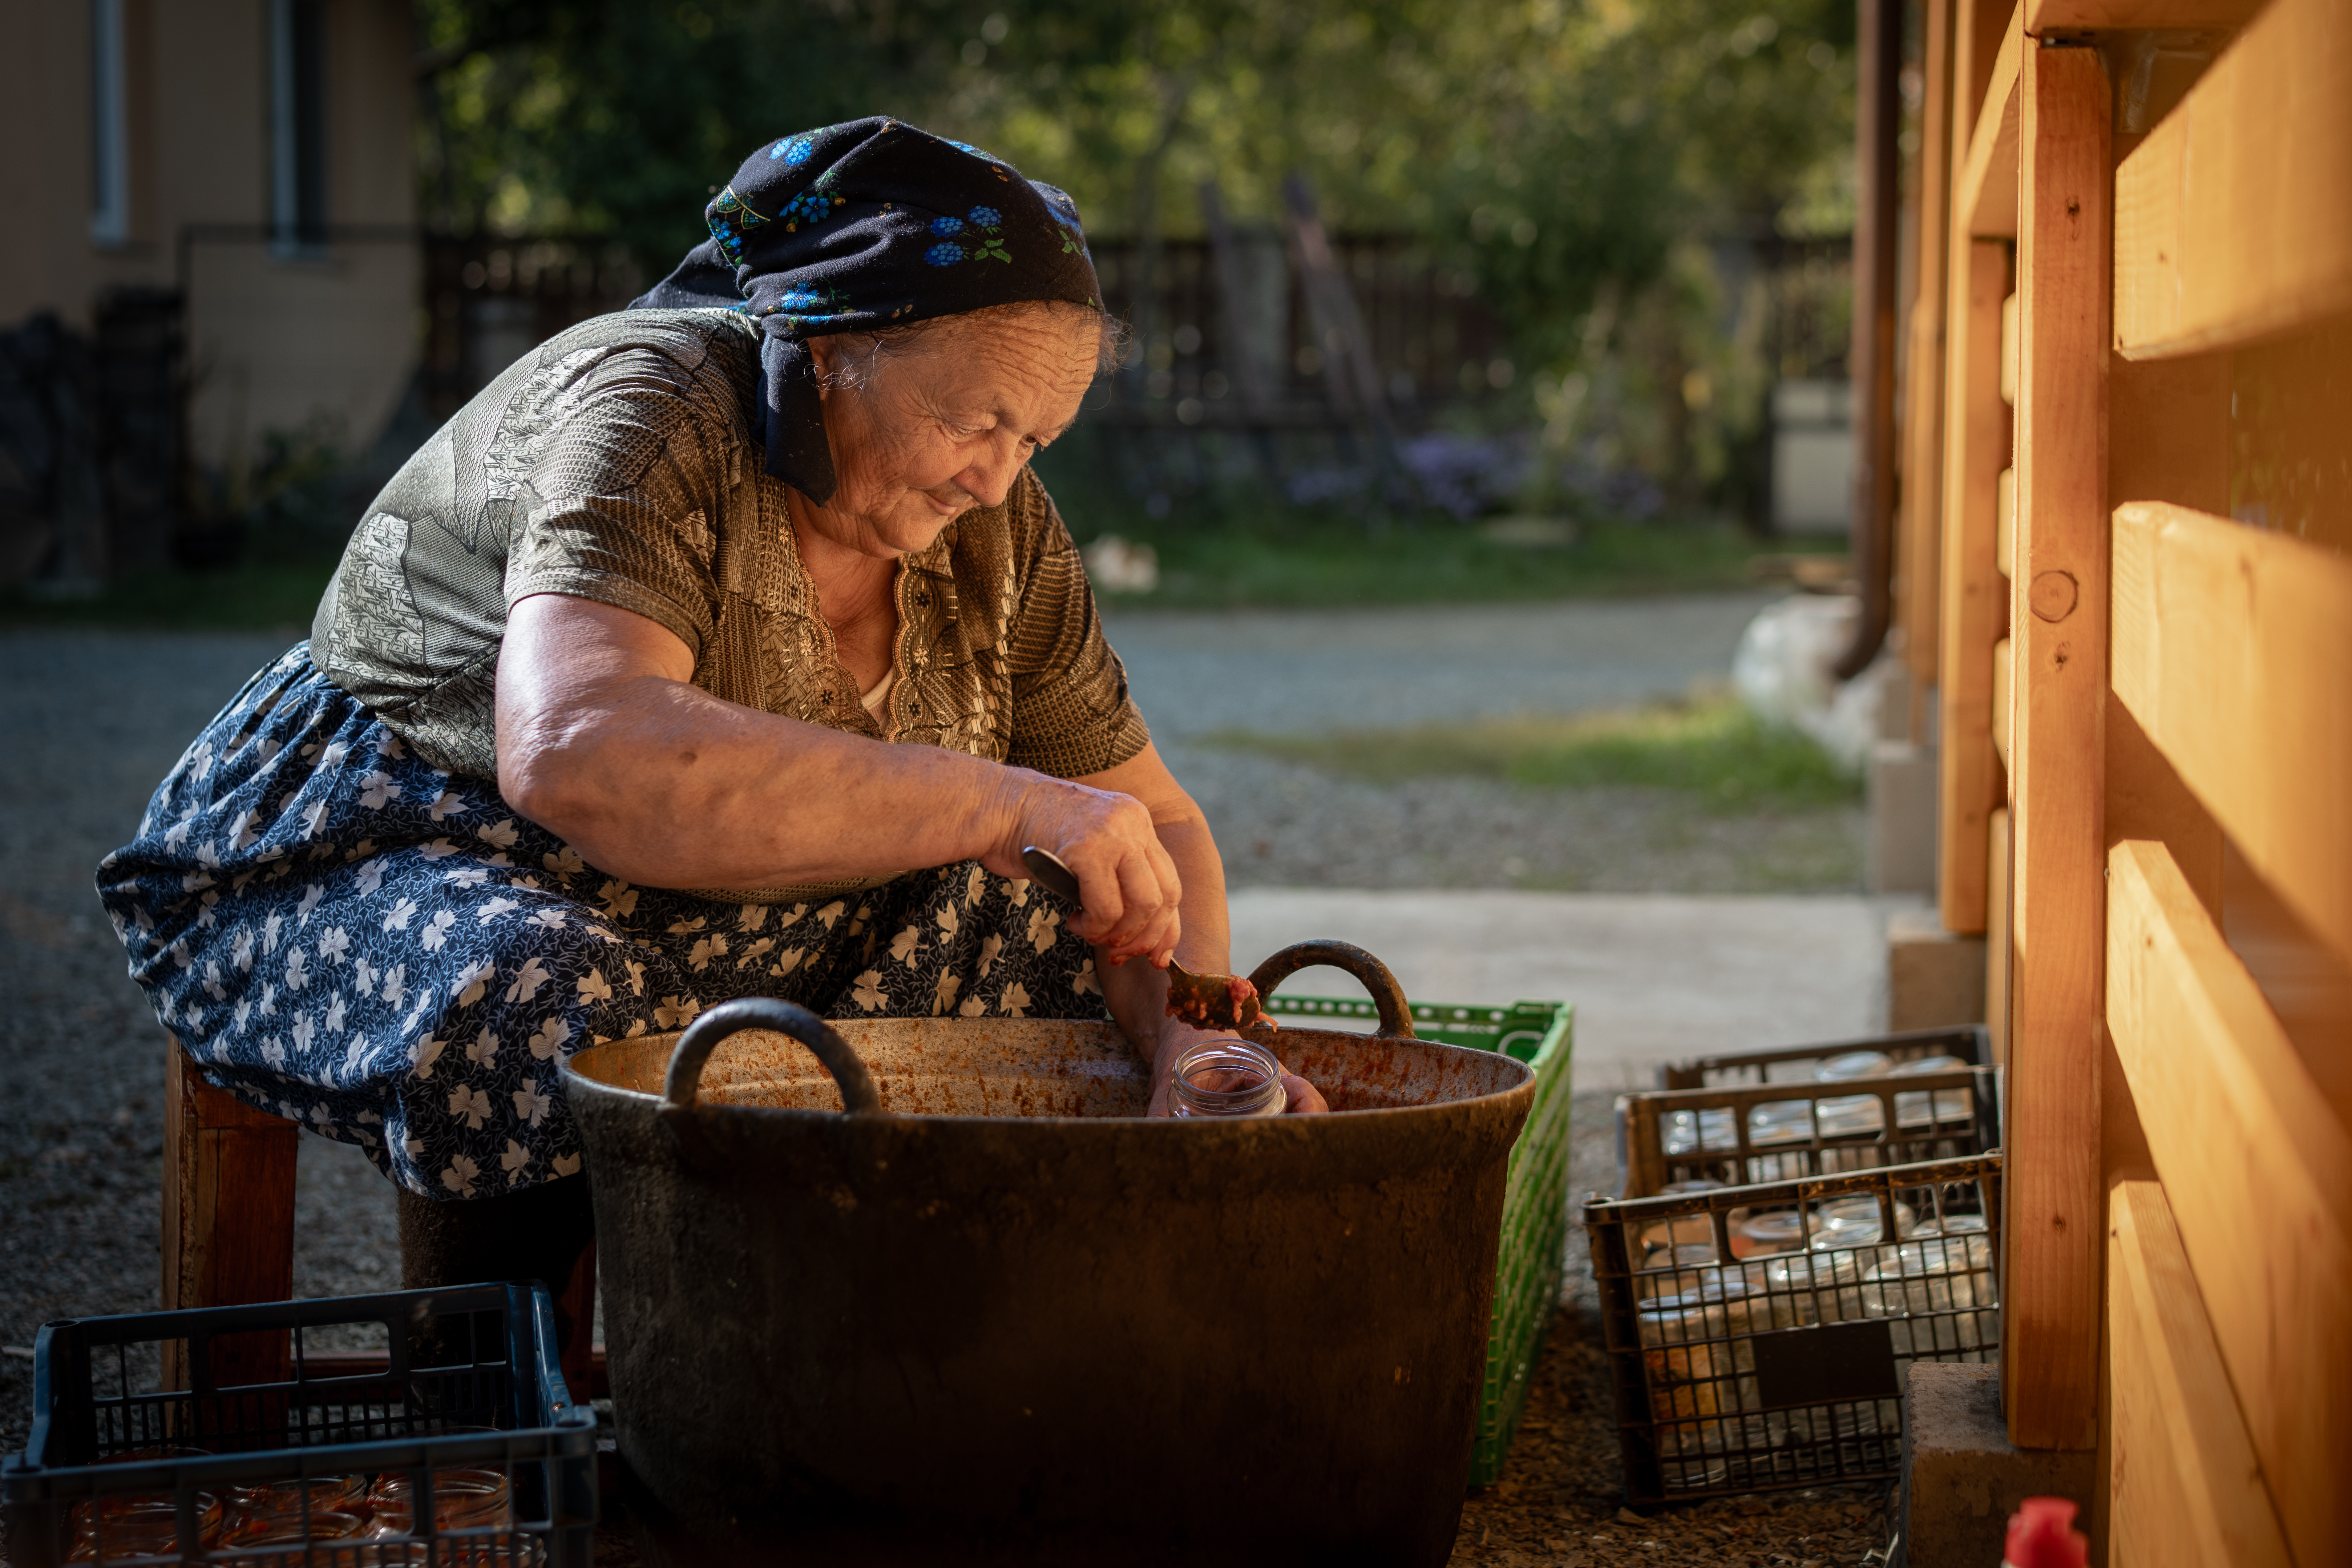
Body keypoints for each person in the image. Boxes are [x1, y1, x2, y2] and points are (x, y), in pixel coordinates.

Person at [97, 118, 1325, 1343]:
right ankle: (504, 1421)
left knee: (1062, 938)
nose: (995, 482)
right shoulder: (653, 406)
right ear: (837, 348)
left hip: (697, 903)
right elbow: (579, 747)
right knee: (546, 991)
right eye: (971, 423)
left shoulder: (998, 524)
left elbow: (1150, 820)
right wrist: (998, 799)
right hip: (383, 847)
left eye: (1035, 439)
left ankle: (926, 1363)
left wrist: (1193, 1035)